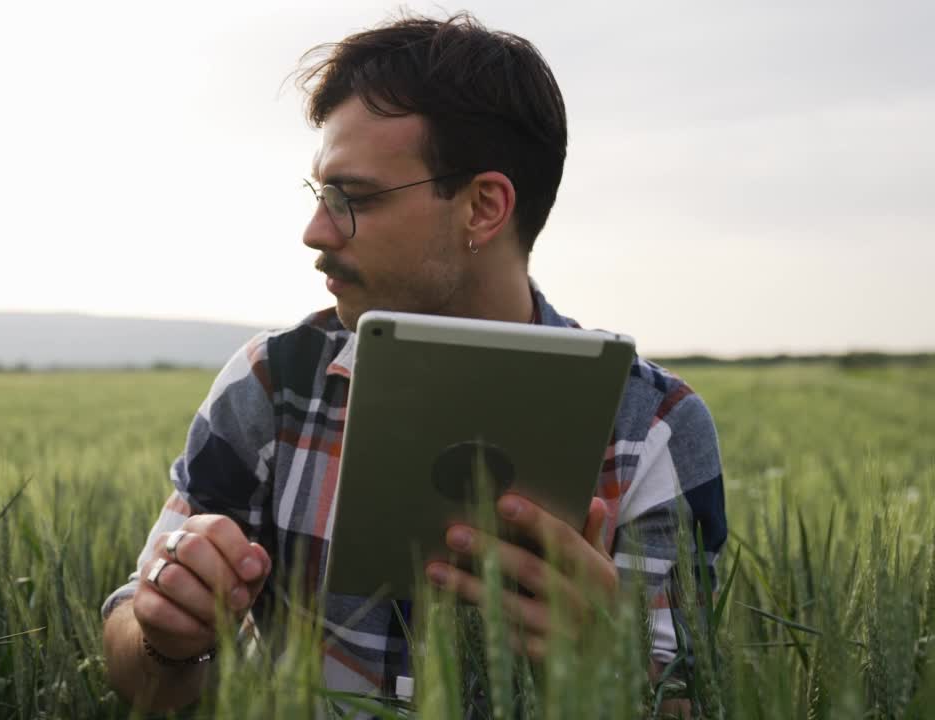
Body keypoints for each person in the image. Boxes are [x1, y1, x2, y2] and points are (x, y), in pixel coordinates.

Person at [101, 11, 726, 715]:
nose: (315, 231)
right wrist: (165, 632)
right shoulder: (272, 384)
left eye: (353, 199)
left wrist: (608, 675)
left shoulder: (655, 433)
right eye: (319, 196)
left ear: (483, 207)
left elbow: (684, 700)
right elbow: (137, 665)